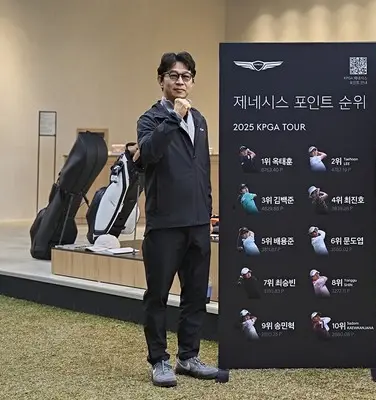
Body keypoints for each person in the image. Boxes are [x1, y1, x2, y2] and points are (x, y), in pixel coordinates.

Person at [136, 51, 219, 387]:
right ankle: (159, 360)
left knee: (196, 295)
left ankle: (188, 356)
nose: (180, 81)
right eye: (173, 75)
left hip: (198, 222)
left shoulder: (200, 119)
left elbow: (202, 169)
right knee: (157, 295)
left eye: (186, 76)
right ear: (161, 80)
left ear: (192, 81)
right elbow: (148, 154)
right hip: (165, 224)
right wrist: (174, 117)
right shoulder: (150, 119)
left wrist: (208, 212)